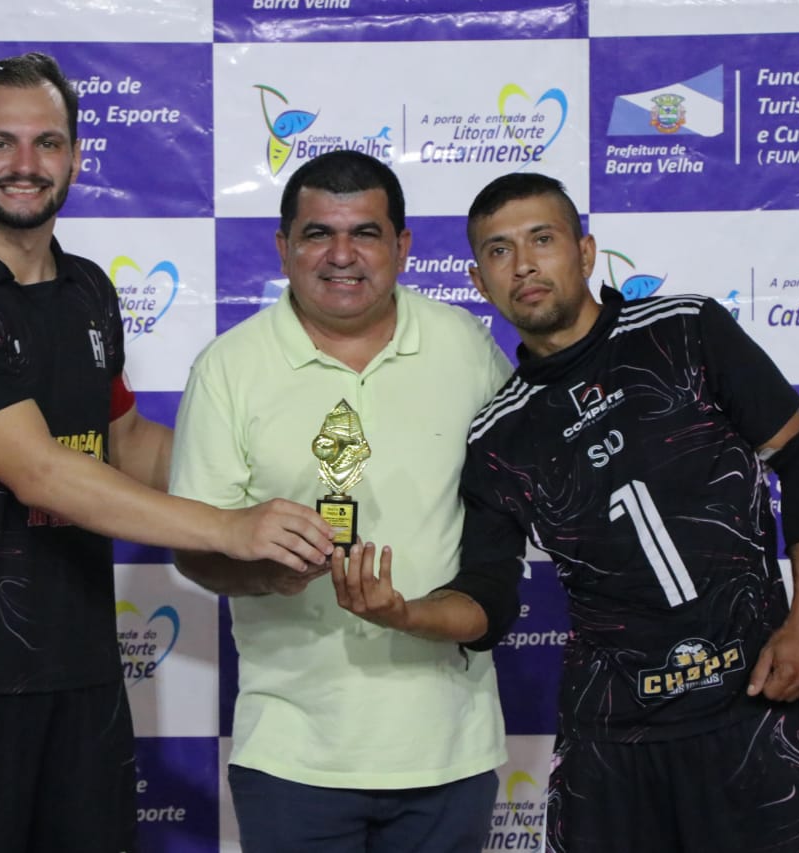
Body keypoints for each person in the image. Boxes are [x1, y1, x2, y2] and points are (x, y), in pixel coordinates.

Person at [0, 52, 333, 853]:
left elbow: (128, 442)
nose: (25, 163)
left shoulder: (87, 291)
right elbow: (42, 471)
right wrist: (230, 528)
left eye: (47, 142)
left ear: (76, 157)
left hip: (80, 672)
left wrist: (276, 486)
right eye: (0, 143)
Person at [333, 172, 799, 852]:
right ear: (478, 281)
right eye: (498, 250)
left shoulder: (685, 332)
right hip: (609, 743)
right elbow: (488, 599)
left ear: (585, 251)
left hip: (750, 709)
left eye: (542, 239)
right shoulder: (499, 435)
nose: (523, 264)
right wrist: (404, 614)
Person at [168, 149, 513, 853]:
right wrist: (269, 572)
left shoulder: (466, 348)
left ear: (403, 247)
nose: (342, 255)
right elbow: (194, 550)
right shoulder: (228, 369)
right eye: (318, 233)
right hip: (292, 752)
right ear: (283, 248)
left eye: (365, 233)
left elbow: (511, 516)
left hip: (448, 744)